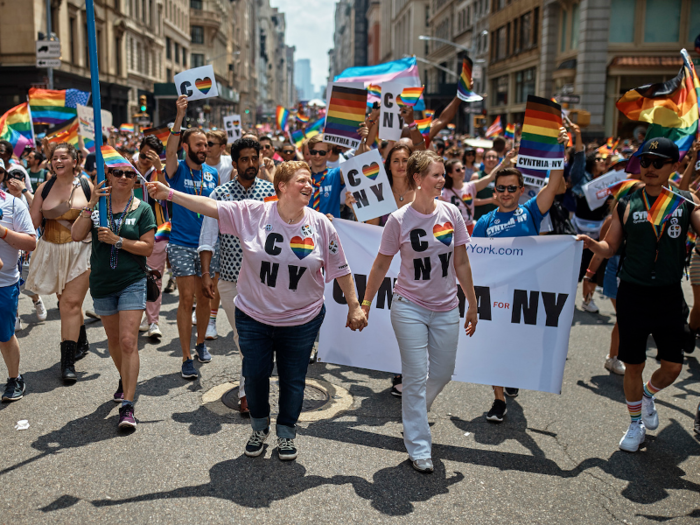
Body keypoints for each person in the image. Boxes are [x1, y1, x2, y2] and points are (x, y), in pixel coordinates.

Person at [147, 160, 367, 460]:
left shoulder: (321, 224)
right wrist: (169, 194)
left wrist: (355, 306)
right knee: (255, 375)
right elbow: (210, 207)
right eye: (301, 181)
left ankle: (287, 432)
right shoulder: (253, 212)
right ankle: (259, 427)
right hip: (253, 317)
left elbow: (341, 269)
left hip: (301, 320)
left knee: (293, 379)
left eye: (310, 182)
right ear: (282, 187)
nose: (309, 185)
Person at [578, 137, 700, 451]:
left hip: (669, 295)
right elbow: (611, 245)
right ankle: (635, 424)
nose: (650, 168)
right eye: (646, 161)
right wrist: (595, 247)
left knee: (672, 365)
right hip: (633, 292)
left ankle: (648, 395)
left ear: (675, 167)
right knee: (633, 365)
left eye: (659, 163)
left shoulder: (684, 202)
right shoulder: (627, 201)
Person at [361, 150, 478, 473]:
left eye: (443, 174)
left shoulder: (452, 213)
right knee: (414, 377)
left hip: (446, 308)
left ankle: (415, 415)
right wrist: (366, 304)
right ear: (417, 179)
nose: (443, 180)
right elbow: (381, 263)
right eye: (436, 175)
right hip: (409, 307)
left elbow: (462, 261)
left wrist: (472, 303)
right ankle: (419, 446)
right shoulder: (398, 220)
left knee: (443, 372)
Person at [472, 127, 568, 422]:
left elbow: (553, 185)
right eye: (500, 189)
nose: (505, 194)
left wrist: (558, 151)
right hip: (496, 296)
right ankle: (498, 400)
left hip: (527, 294)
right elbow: (472, 262)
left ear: (521, 190)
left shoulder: (530, 211)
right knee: (495, 348)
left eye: (511, 188)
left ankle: (512, 372)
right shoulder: (484, 222)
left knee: (520, 346)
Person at [71, 149, 156, 429]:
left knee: (129, 341)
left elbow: (147, 247)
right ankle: (125, 377)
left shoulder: (142, 208)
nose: (122, 177)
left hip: (131, 281)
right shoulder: (97, 209)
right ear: (107, 175)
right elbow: (75, 234)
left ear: (135, 180)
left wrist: (118, 241)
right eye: (117, 172)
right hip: (102, 282)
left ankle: (128, 406)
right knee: (114, 340)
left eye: (129, 174)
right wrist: (91, 202)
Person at [198, 137, 275, 414]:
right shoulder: (220, 195)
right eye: (245, 159)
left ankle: (249, 390)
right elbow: (208, 236)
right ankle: (250, 390)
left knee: (257, 339)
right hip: (230, 280)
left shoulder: (270, 192)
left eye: (255, 158)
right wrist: (206, 273)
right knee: (243, 337)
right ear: (235, 162)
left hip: (265, 280)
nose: (251, 164)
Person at [25, 143, 93, 383]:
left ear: (75, 161)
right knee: (65, 301)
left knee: (71, 304)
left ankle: (67, 363)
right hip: (52, 251)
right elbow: (31, 224)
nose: (58, 161)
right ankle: (81, 339)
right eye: (55, 157)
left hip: (81, 250)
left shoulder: (87, 186)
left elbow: (99, 220)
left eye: (64, 157)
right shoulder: (43, 188)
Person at [164, 95, 219, 379]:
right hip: (182, 243)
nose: (204, 148)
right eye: (199, 144)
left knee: (205, 296)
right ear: (187, 146)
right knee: (186, 298)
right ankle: (186, 356)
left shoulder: (212, 174)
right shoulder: (177, 170)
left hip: (208, 245)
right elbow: (169, 153)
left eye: (206, 145)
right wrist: (179, 117)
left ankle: (200, 344)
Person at [0, 170, 38, 401]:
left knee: (4, 335)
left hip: (4, 283)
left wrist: (3, 231)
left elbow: (31, 242)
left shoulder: (13, 205)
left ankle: (15, 378)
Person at [134, 135, 168, 339]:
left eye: (151, 156)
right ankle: (135, 317)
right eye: (143, 153)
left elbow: (168, 194)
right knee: (133, 278)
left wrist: (159, 168)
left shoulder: (160, 172)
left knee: (154, 278)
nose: (146, 159)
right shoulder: (127, 170)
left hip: (158, 231)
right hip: (132, 232)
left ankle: (153, 321)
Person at [441, 152, 513, 235]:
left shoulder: (471, 186)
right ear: (450, 174)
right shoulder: (444, 193)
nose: (462, 171)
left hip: (469, 228)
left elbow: (491, 176)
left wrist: (505, 161)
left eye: (463, 168)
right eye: (458, 170)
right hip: (453, 230)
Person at [306, 135, 344, 218]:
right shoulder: (302, 176)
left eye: (322, 153)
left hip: (330, 228)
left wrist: (363, 142)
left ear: (329, 153)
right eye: (313, 152)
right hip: (306, 228)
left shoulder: (336, 174)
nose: (317, 156)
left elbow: (356, 167)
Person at [471, 149, 499, 219]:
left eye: (494, 157)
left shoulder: (502, 178)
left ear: (498, 161)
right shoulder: (476, 176)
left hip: (496, 219)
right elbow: (470, 201)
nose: (491, 159)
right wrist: (491, 200)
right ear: (483, 161)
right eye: (488, 157)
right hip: (479, 218)